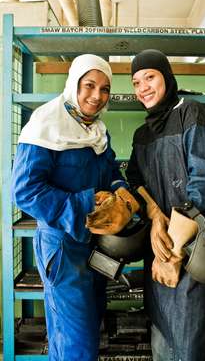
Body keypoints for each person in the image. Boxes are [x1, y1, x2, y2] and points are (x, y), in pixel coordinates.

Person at [11, 54, 140, 361]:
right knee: (77, 342)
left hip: (95, 244)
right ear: (73, 84)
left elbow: (109, 171)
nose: (97, 96)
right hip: (62, 245)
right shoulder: (46, 125)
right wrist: (83, 203)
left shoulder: (97, 130)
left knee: (87, 328)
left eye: (105, 89)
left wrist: (121, 191)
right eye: (89, 85)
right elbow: (25, 191)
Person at [125, 49, 205, 361]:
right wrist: (156, 216)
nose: (142, 87)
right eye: (135, 82)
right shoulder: (141, 133)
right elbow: (135, 182)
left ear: (167, 78)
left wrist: (172, 255)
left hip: (189, 251)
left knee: (187, 346)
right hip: (156, 252)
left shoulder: (191, 113)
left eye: (150, 77)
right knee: (161, 341)